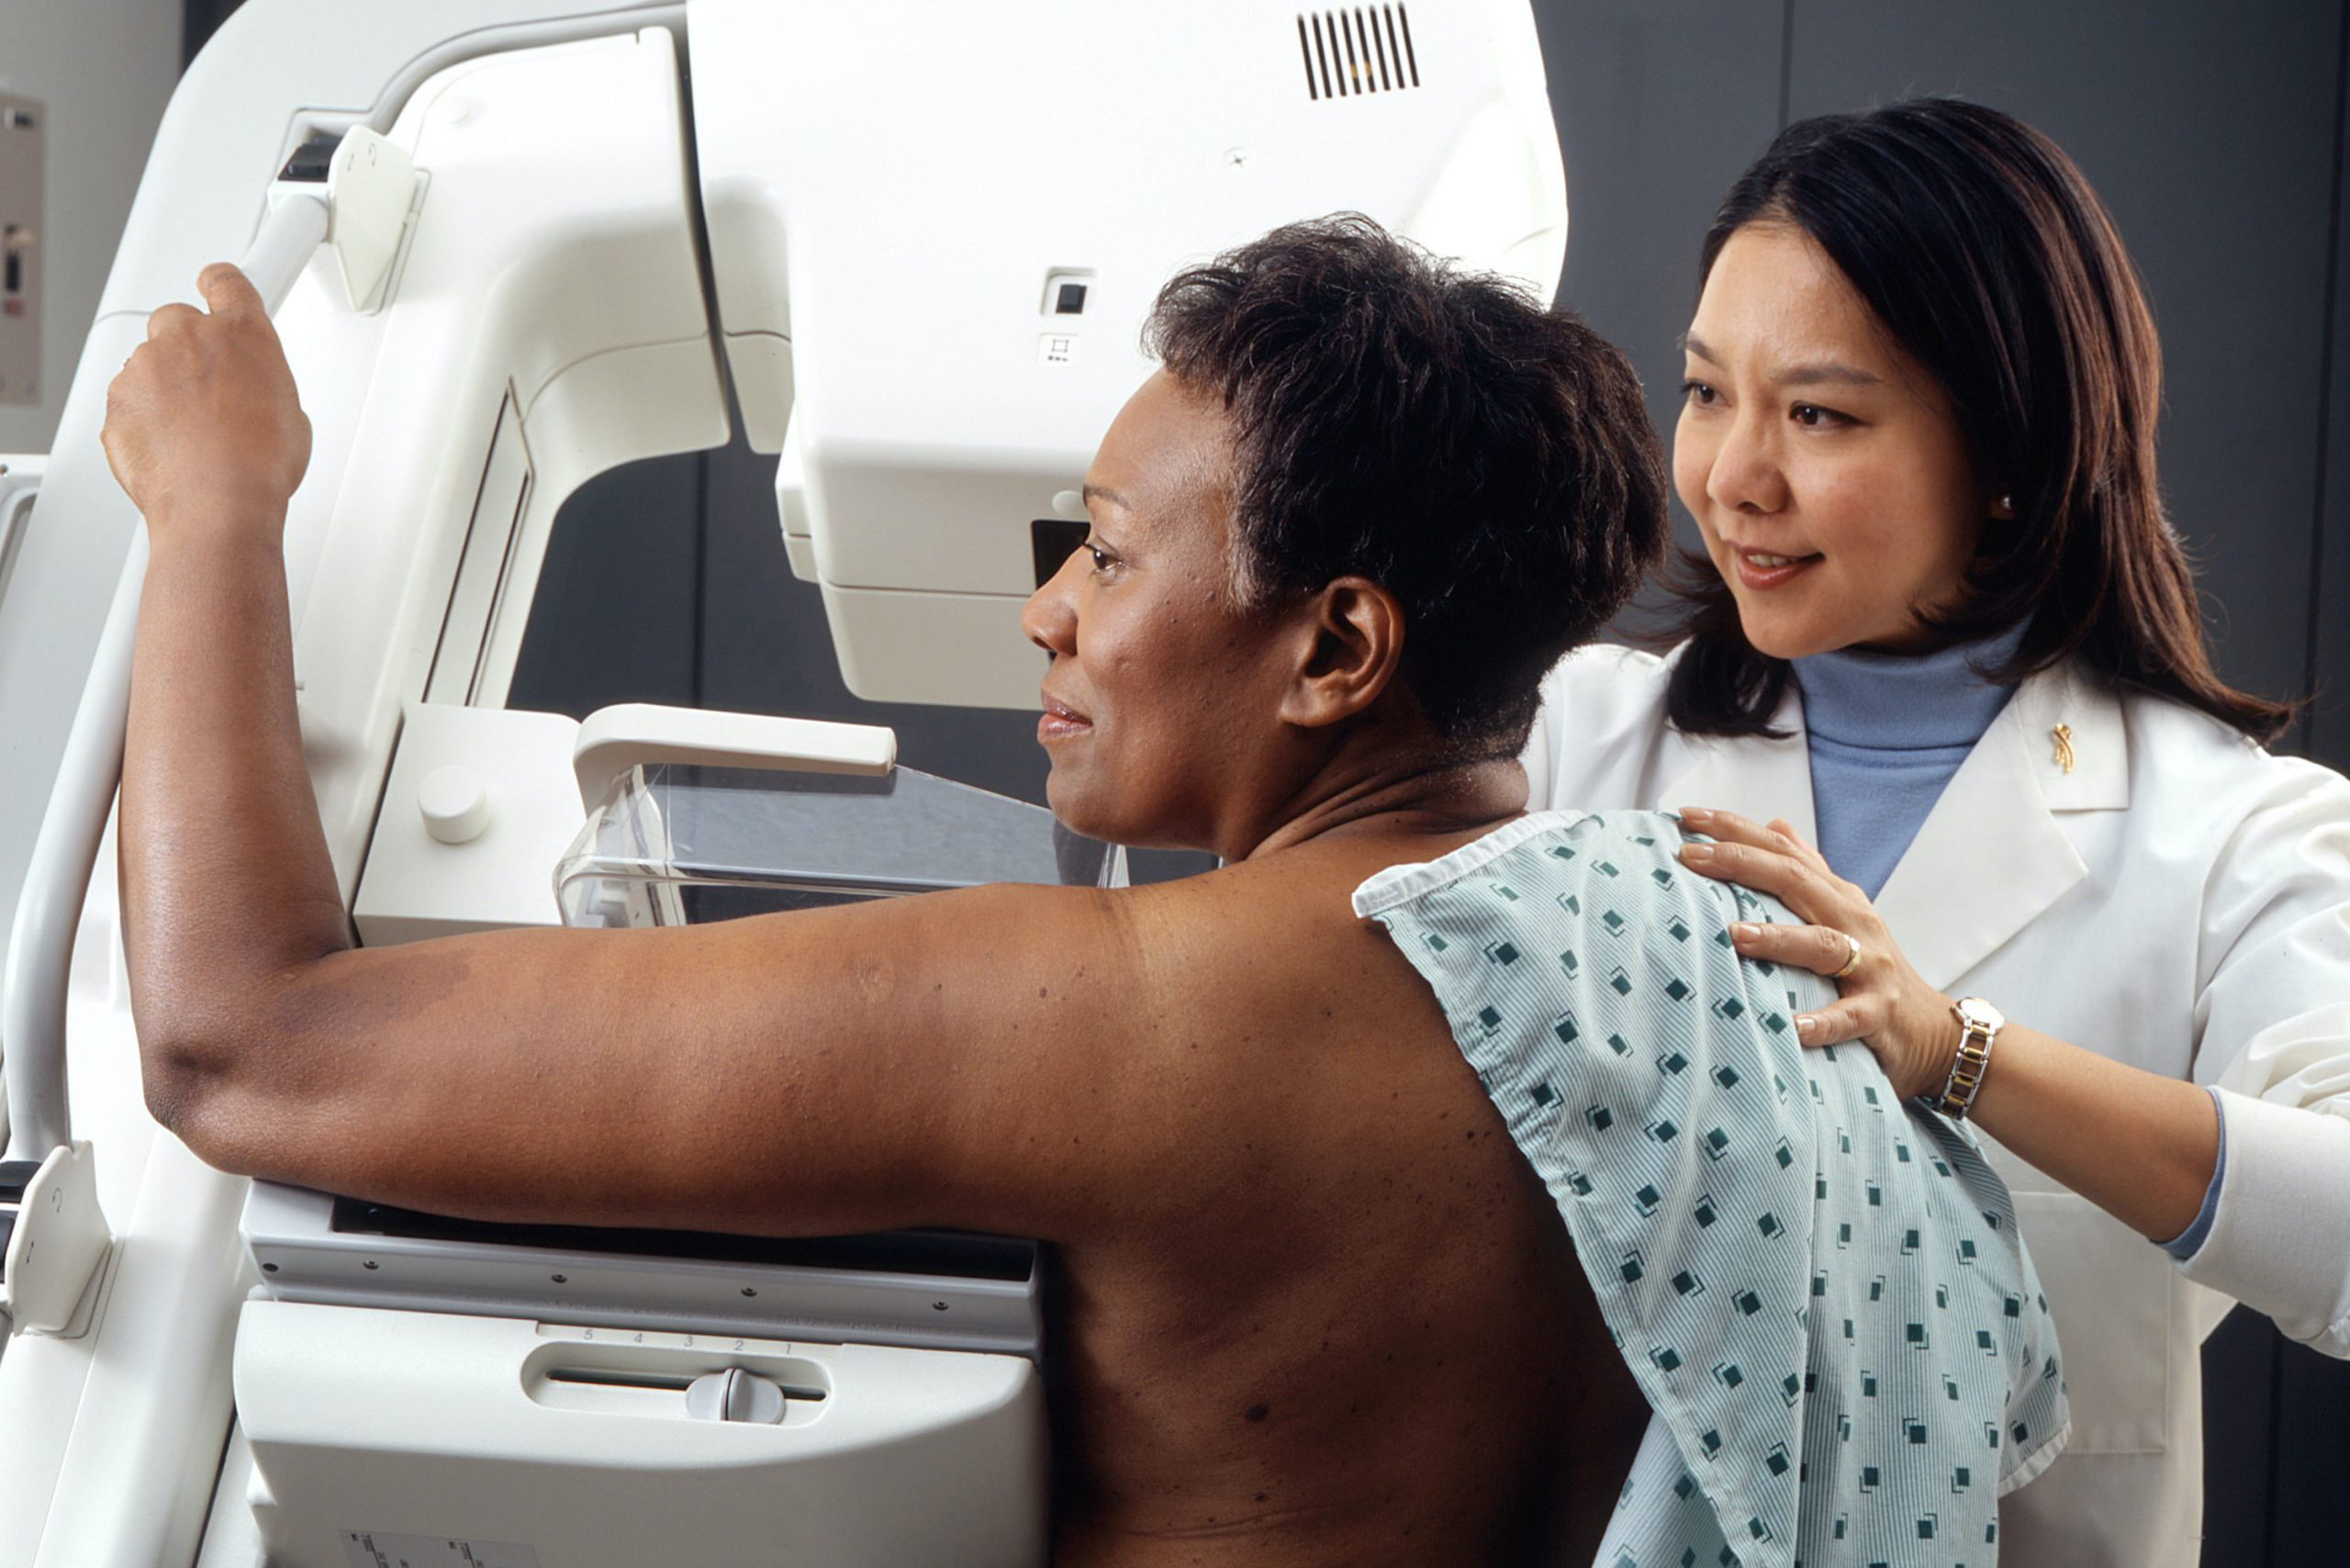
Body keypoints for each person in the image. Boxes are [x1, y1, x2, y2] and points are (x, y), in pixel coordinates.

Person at [102, 216, 2059, 1567]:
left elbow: (243, 1039)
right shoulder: (1738, 957)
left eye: (1108, 554)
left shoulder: (1141, 1011)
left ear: (1333, 646)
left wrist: (215, 509)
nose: (1045, 606)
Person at [1520, 98, 2350, 1566]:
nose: (1731, 478)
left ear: (2009, 452)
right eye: (1710, 393)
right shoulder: (1575, 739)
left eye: (1821, 415)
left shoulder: (2235, 833)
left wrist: (1964, 1053)